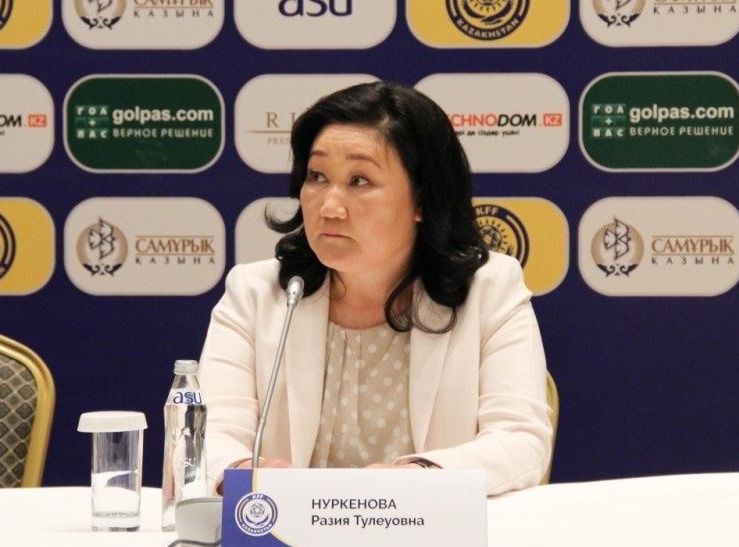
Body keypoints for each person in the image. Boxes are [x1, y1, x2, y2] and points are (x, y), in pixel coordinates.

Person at [198, 80, 552, 496]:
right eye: (317, 176)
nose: (329, 206)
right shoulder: (256, 294)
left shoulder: (489, 290)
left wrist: (419, 477)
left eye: (359, 181)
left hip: (428, 532)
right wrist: (239, 469)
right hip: (285, 531)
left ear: (422, 199)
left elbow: (520, 441)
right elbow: (206, 436)